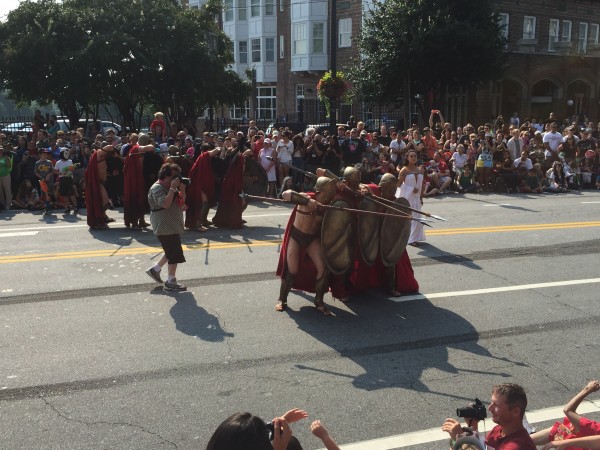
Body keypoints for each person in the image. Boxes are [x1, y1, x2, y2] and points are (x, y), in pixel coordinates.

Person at [275, 176, 338, 316]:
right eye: (328, 194)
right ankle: (282, 299)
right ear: (320, 191)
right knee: (291, 269)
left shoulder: (329, 206)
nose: (330, 197)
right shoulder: (305, 197)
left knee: (323, 268)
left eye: (332, 194)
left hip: (312, 239)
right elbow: (285, 194)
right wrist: (306, 201)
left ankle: (319, 301)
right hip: (296, 237)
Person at [442, 383, 536, 450]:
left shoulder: (517, 446)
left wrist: (460, 438)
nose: (490, 408)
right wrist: (472, 427)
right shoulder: (498, 430)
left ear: (515, 411)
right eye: (491, 403)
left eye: (496, 405)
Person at [145, 163, 188, 291]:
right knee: (174, 253)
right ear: (165, 176)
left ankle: (155, 270)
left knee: (170, 250)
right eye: (175, 177)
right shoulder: (157, 188)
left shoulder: (171, 187)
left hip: (172, 225)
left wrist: (183, 190)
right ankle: (171, 282)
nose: (177, 179)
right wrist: (172, 189)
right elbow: (165, 204)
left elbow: (182, 202)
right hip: (164, 226)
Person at [531, 380, 600, 449]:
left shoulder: (597, 429)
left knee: (563, 431)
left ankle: (523, 441)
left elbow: (568, 410)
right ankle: (523, 440)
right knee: (565, 429)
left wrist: (588, 389)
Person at [398, 150, 425, 246]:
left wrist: (421, 197)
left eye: (415, 156)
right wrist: (411, 189)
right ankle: (410, 239)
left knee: (417, 218)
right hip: (408, 196)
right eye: (411, 156)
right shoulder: (404, 170)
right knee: (410, 218)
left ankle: (414, 238)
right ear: (407, 158)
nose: (413, 158)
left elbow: (422, 185)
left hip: (417, 198)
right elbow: (399, 184)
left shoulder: (420, 170)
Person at [85, 144, 112, 229]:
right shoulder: (98, 155)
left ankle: (103, 217)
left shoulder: (101, 157)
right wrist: (112, 149)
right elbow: (109, 147)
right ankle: (97, 220)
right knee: (104, 201)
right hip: (96, 183)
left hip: (99, 182)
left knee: (102, 200)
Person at [54, 148, 79, 214]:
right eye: (65, 153)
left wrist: (70, 170)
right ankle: (67, 206)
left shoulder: (70, 161)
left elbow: (72, 169)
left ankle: (76, 206)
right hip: (62, 179)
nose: (67, 155)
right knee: (64, 194)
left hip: (69, 178)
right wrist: (60, 173)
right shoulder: (58, 162)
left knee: (71, 193)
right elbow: (55, 170)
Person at [0, 145, 13, 210]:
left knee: (7, 190)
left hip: (6, 175)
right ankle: (2, 204)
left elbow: (9, 166)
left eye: (1, 150)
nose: (0, 151)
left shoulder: (6, 157)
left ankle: (8, 204)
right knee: (0, 191)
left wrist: (7, 159)